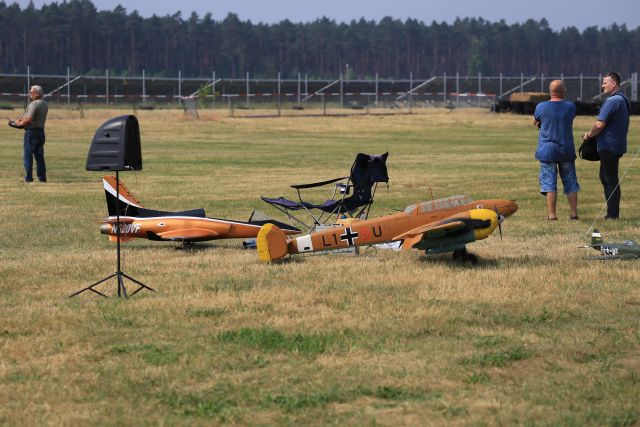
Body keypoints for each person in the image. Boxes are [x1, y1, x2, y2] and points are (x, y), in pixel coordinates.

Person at [582, 72, 630, 220]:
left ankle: (612, 215)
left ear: (614, 83)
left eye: (605, 82)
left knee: (610, 179)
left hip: (609, 146)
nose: (602, 85)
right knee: (605, 177)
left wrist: (589, 135)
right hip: (616, 144)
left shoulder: (611, 101)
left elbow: (599, 124)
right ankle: (611, 212)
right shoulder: (623, 99)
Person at [533, 79, 580, 220]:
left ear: (550, 92)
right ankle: (573, 214)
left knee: (549, 183)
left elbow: (536, 122)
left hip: (547, 151)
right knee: (570, 182)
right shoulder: (570, 106)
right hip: (566, 150)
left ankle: (552, 215)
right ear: (562, 91)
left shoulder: (541, 106)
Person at [14, 85, 48, 182]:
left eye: (31, 92)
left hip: (32, 133)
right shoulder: (44, 104)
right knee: (39, 156)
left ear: (36, 93)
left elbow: (28, 120)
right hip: (41, 132)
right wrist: (23, 119)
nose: (30, 94)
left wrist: (19, 123)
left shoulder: (34, 104)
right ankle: (42, 178)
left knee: (28, 155)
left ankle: (28, 178)